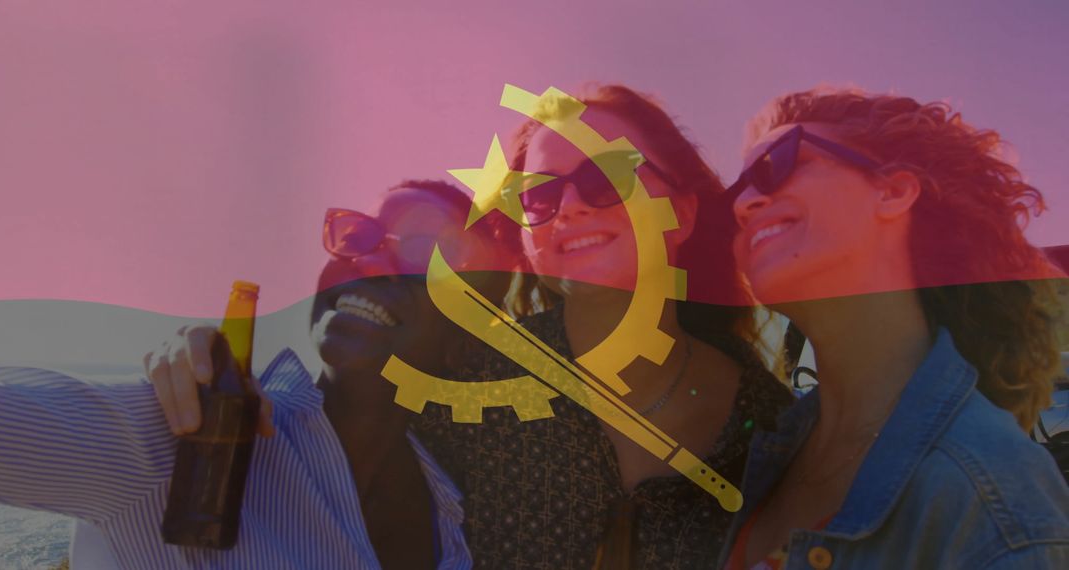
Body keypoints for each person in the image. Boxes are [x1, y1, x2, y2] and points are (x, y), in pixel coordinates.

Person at [0, 180, 499, 569]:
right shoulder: (187, 429)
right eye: (356, 236)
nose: (373, 262)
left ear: (462, 343)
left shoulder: (451, 510)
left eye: (426, 254)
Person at [413, 84, 794, 569]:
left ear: (682, 213)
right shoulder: (468, 392)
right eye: (539, 194)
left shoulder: (773, 426)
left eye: (610, 175)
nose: (571, 206)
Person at [720, 88, 1069, 569]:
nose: (744, 204)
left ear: (893, 191)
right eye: (735, 191)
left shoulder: (992, 492)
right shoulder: (754, 449)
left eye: (775, 165)